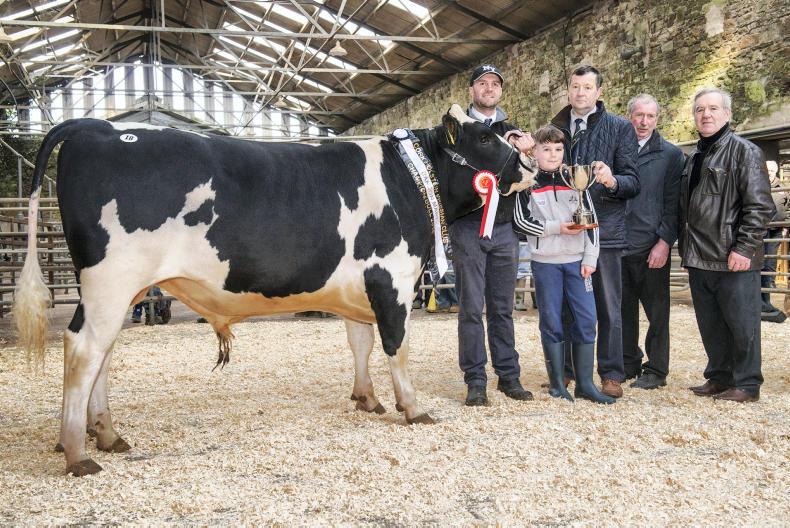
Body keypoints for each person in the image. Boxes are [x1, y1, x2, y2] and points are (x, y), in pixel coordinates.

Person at [549, 65, 639, 398]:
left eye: (588, 87)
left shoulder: (620, 128)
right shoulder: (554, 128)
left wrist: (612, 179)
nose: (581, 92)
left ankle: (611, 373)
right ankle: (569, 371)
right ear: (568, 90)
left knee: (608, 306)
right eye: (575, 86)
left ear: (598, 92)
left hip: (607, 231)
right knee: (567, 306)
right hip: (567, 231)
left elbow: (633, 182)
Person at [681, 87, 775, 403]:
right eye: (700, 110)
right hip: (699, 255)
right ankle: (719, 377)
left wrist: (744, 248)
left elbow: (760, 206)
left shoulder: (744, 151)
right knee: (711, 324)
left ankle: (747, 383)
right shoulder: (694, 155)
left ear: (727, 114)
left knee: (742, 322)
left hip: (731, 255)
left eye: (712, 109)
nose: (706, 114)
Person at [513, 124, 614, 404]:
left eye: (558, 149)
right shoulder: (527, 182)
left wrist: (590, 258)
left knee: (586, 319)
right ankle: (558, 384)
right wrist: (558, 227)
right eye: (546, 149)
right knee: (552, 321)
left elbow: (591, 222)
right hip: (546, 264)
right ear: (535, 150)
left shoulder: (574, 178)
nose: (553, 154)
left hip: (577, 263)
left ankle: (585, 384)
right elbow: (521, 222)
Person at [453, 64, 535, 406]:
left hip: (503, 228)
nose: (489, 88)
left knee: (502, 307)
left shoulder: (513, 132)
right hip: (468, 226)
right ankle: (475, 379)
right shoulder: (458, 129)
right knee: (471, 307)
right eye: (482, 83)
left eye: (495, 84)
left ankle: (508, 375)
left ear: (501, 91)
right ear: (472, 90)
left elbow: (529, 177)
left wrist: (528, 153)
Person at [621, 94, 686, 389]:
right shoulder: (618, 149)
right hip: (620, 245)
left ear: (657, 119)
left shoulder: (671, 155)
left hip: (651, 247)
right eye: (639, 115)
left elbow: (674, 204)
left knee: (657, 313)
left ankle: (657, 369)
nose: (644, 122)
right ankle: (627, 363)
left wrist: (664, 242)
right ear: (629, 116)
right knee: (623, 311)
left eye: (650, 116)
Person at [761, 160, 788, 323]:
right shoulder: (759, 185)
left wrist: (785, 226)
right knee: (759, 264)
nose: (769, 172)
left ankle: (766, 300)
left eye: (771, 170)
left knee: (770, 264)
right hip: (760, 230)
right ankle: (760, 301)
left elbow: (789, 209)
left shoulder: (783, 189)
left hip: (776, 231)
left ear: (776, 171)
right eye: (767, 170)